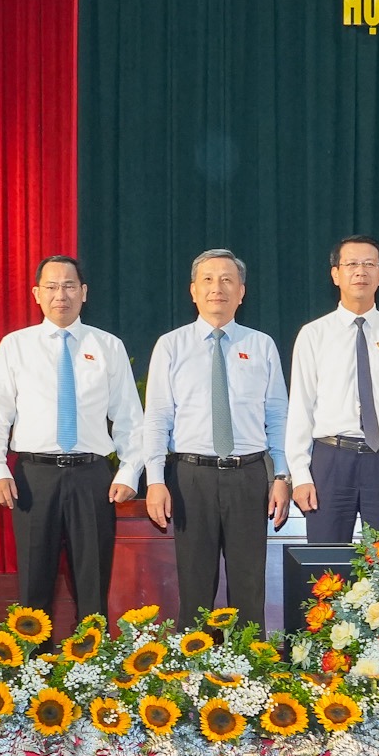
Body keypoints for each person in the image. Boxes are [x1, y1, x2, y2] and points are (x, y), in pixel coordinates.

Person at [0, 256, 142, 623]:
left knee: (93, 582)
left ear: (84, 292)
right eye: (51, 287)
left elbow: (130, 417)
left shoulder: (108, 346)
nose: (60, 295)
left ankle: (94, 654)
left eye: (69, 286)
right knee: (34, 584)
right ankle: (32, 656)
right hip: (33, 478)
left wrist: (130, 470)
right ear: (36, 294)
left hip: (92, 477)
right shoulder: (16, 346)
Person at [142, 249, 292, 629]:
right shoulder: (171, 345)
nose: (217, 288)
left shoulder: (261, 345)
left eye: (227, 280)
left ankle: (250, 663)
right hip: (191, 477)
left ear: (242, 292)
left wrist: (282, 475)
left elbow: (278, 417)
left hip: (249, 476)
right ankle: (193, 664)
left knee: (249, 588)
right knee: (195, 588)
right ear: (193, 291)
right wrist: (155, 480)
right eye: (207, 280)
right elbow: (157, 417)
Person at [287, 236, 379, 544]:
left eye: (369, 264)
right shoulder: (313, 334)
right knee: (325, 562)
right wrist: (301, 474)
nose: (361, 271)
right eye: (351, 264)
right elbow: (301, 408)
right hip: (331, 460)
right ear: (335, 274)